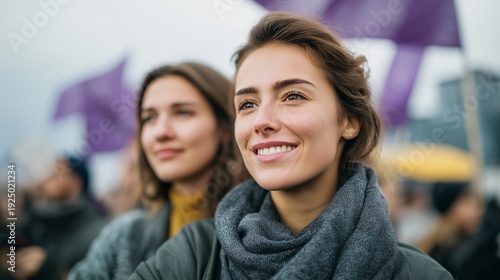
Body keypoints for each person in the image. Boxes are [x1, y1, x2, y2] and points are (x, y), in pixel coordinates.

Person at [131, 12, 452, 279]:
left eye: (293, 96)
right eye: (247, 104)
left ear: (349, 121)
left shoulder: (419, 274)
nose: (261, 120)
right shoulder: (194, 254)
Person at [69, 62, 245, 279]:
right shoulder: (124, 237)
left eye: (183, 112)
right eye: (149, 118)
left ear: (225, 129)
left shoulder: (263, 231)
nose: (160, 132)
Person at [16, 155, 108, 280]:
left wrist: (46, 268)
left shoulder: (99, 230)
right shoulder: (36, 222)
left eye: (57, 172)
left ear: (77, 182)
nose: (45, 178)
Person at [416, 181, 485, 278]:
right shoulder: (443, 250)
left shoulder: (469, 241)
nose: (479, 210)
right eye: (468, 203)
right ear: (450, 208)